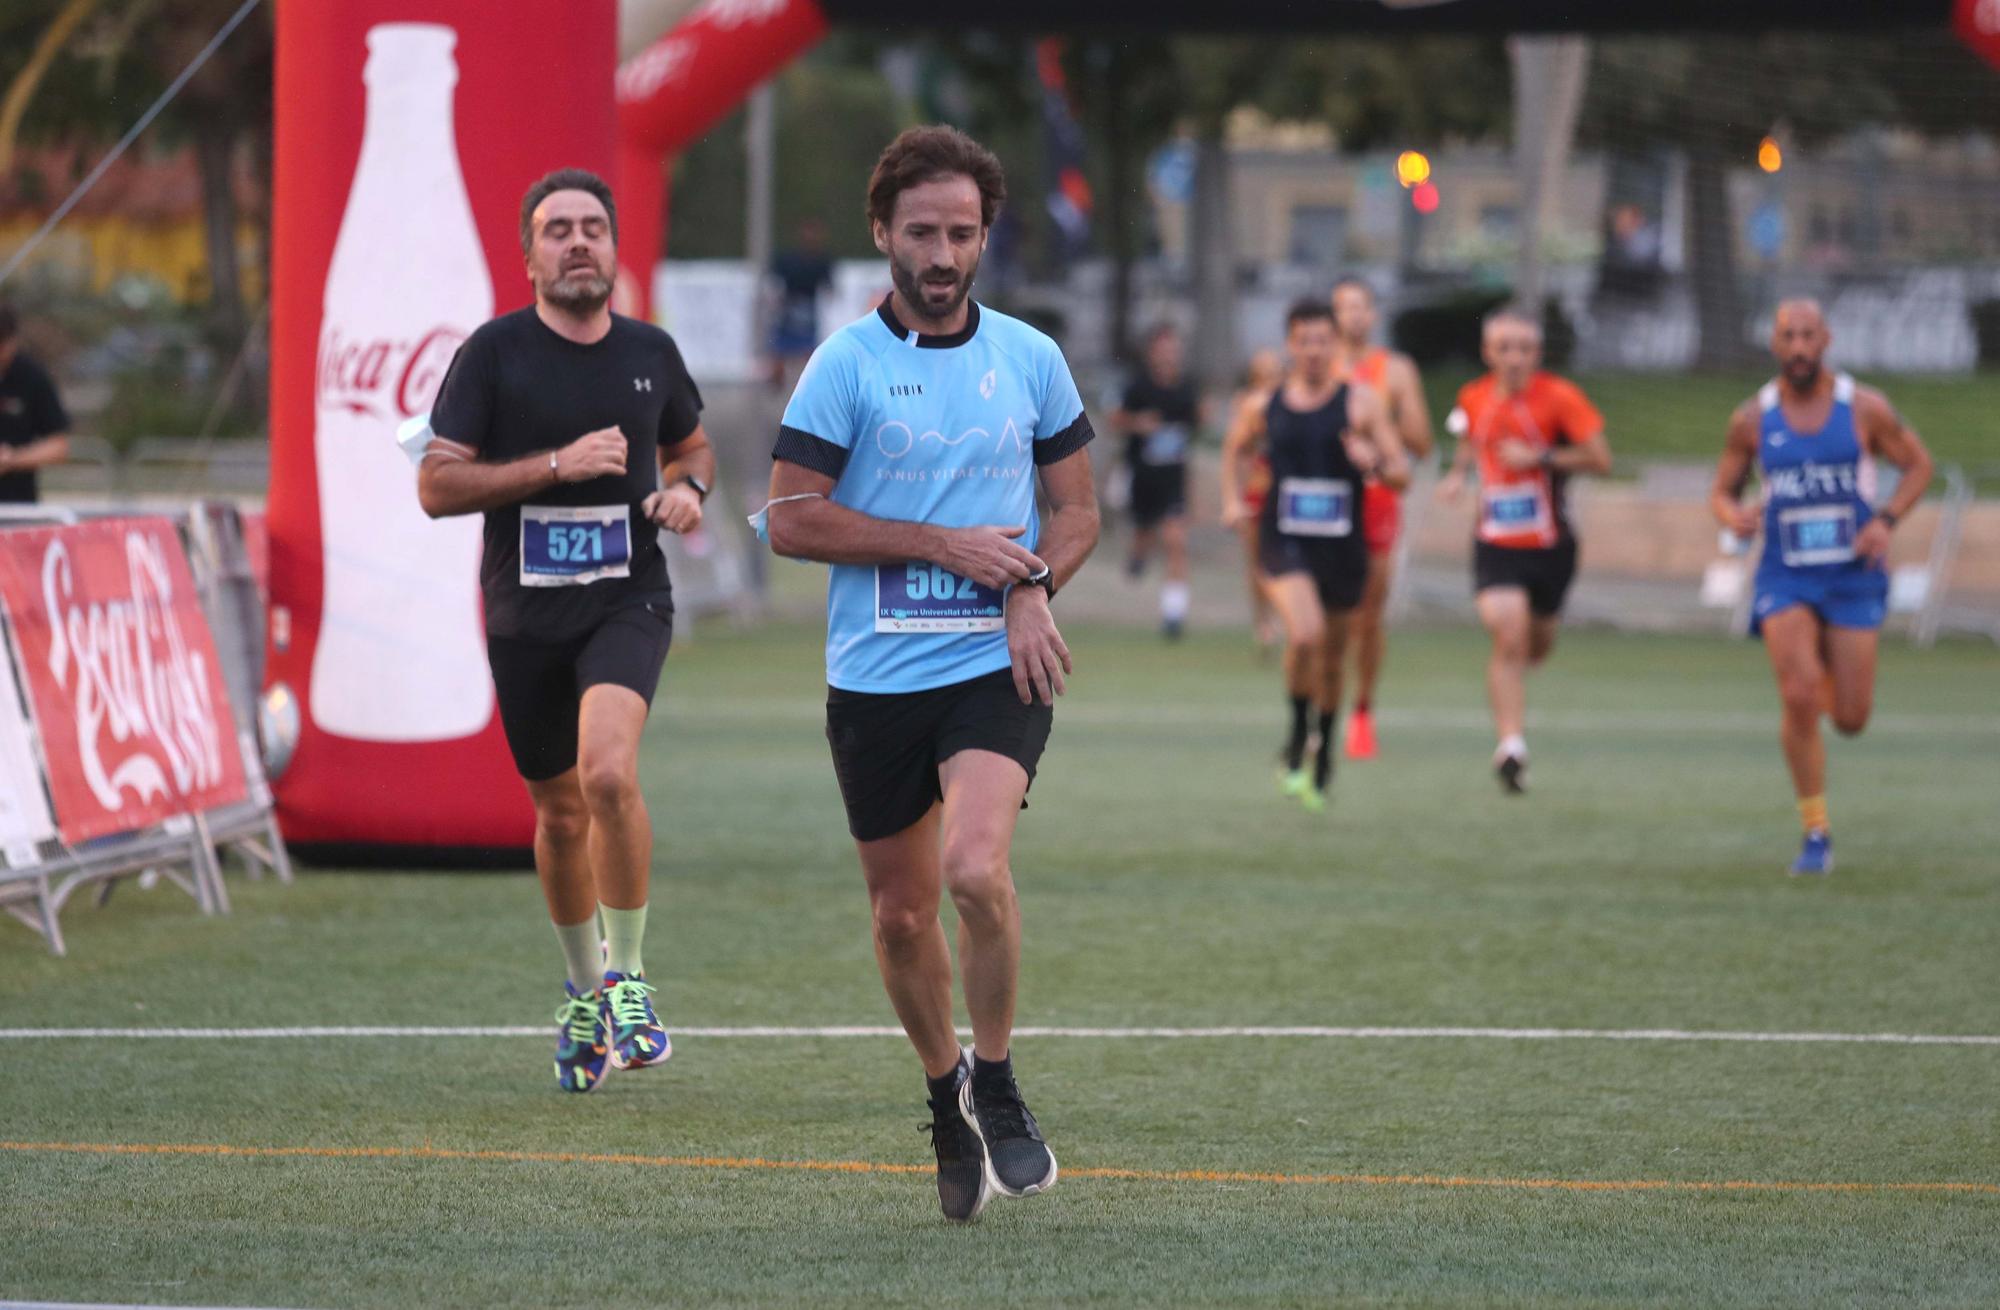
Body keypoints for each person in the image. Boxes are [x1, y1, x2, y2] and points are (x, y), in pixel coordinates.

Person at [763, 126, 1098, 1222]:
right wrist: (938, 543)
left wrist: (1030, 584)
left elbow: (1078, 506)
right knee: (901, 916)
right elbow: (788, 518)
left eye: (961, 232)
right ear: (881, 233)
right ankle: (943, 1093)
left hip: (992, 665)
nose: (942, 252)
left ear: (985, 236)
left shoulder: (1031, 359)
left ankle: (996, 1079)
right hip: (873, 678)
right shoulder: (845, 365)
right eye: (921, 232)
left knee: (971, 868)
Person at [418, 168, 715, 1093]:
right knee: (556, 811)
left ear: (615, 246)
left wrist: (687, 491)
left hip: (628, 599)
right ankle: (584, 993)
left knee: (607, 775)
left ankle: (627, 977)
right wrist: (555, 465)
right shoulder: (493, 354)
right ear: (530, 254)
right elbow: (436, 485)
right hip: (525, 614)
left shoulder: (651, 351)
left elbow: (692, 444)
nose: (579, 242)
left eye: (594, 227)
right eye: (559, 230)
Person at [1709, 299, 1932, 876]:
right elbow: (1722, 490)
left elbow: (1919, 466)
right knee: (1800, 693)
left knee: (1852, 717)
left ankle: (1831, 674)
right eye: (1790, 337)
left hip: (1852, 576)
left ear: (1827, 339)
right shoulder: (1752, 418)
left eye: (1810, 336)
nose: (1801, 348)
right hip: (1785, 574)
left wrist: (1885, 521)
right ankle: (1815, 831)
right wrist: (1731, 515)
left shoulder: (1863, 408)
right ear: (1775, 344)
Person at [1222, 300, 1408, 813]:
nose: (1314, 350)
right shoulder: (1266, 405)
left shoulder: (1361, 404)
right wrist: (1233, 498)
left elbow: (1401, 474)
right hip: (1285, 540)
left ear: (1336, 345)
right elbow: (1234, 447)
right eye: (1304, 340)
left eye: (1323, 340)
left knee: (1331, 661)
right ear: (1291, 344)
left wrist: (1373, 463)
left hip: (1344, 549)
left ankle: (1322, 749)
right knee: (1304, 633)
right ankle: (1296, 728)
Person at [1436, 307, 1611, 794]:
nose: (1514, 358)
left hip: (1550, 545)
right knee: (1507, 633)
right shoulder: (1472, 397)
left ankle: (1515, 686)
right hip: (1495, 542)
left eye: (1524, 348)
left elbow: (1601, 458)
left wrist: (1542, 457)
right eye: (1504, 348)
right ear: (1487, 351)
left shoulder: (1560, 398)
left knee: (1536, 644)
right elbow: (1470, 441)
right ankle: (1511, 745)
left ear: (1537, 353)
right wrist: (1456, 476)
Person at [1330, 277, 1434, 760]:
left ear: (1372, 316)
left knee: (1368, 616)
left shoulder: (1394, 371)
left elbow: (1421, 445)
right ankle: (1319, 708)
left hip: (1375, 501)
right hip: (1325, 502)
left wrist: (1378, 428)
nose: (1352, 316)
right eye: (1342, 308)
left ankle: (1363, 711)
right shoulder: (1315, 365)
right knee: (1328, 615)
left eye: (1360, 308)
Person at [1110, 323, 1206, 638]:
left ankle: (1174, 615)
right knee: (1144, 535)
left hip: (1173, 478)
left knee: (1176, 541)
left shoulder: (1187, 387)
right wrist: (1139, 423)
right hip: (1143, 477)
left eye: (1173, 348)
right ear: (1152, 353)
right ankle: (1137, 556)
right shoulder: (1138, 386)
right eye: (1162, 348)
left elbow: (1197, 420)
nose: (1168, 355)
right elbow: (1114, 419)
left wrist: (1202, 417)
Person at [1229, 349, 1283, 650]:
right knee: (1256, 562)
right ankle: (1262, 620)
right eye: (1265, 376)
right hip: (1257, 490)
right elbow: (1236, 452)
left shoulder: (1293, 402)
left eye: (1276, 374)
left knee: (1280, 558)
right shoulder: (1248, 407)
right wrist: (1234, 496)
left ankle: (1277, 614)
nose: (1271, 381)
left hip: (1285, 492)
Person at [0, 303, 71, 503]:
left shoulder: (31, 377)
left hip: (16, 506)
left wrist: (12, 459)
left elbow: (59, 446)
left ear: (13, 341)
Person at [767, 218, 835, 392]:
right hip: (788, 309)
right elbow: (775, 283)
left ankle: (808, 386)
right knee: (780, 352)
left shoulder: (822, 261)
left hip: (808, 311)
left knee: (809, 354)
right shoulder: (788, 260)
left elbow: (830, 287)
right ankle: (777, 382)